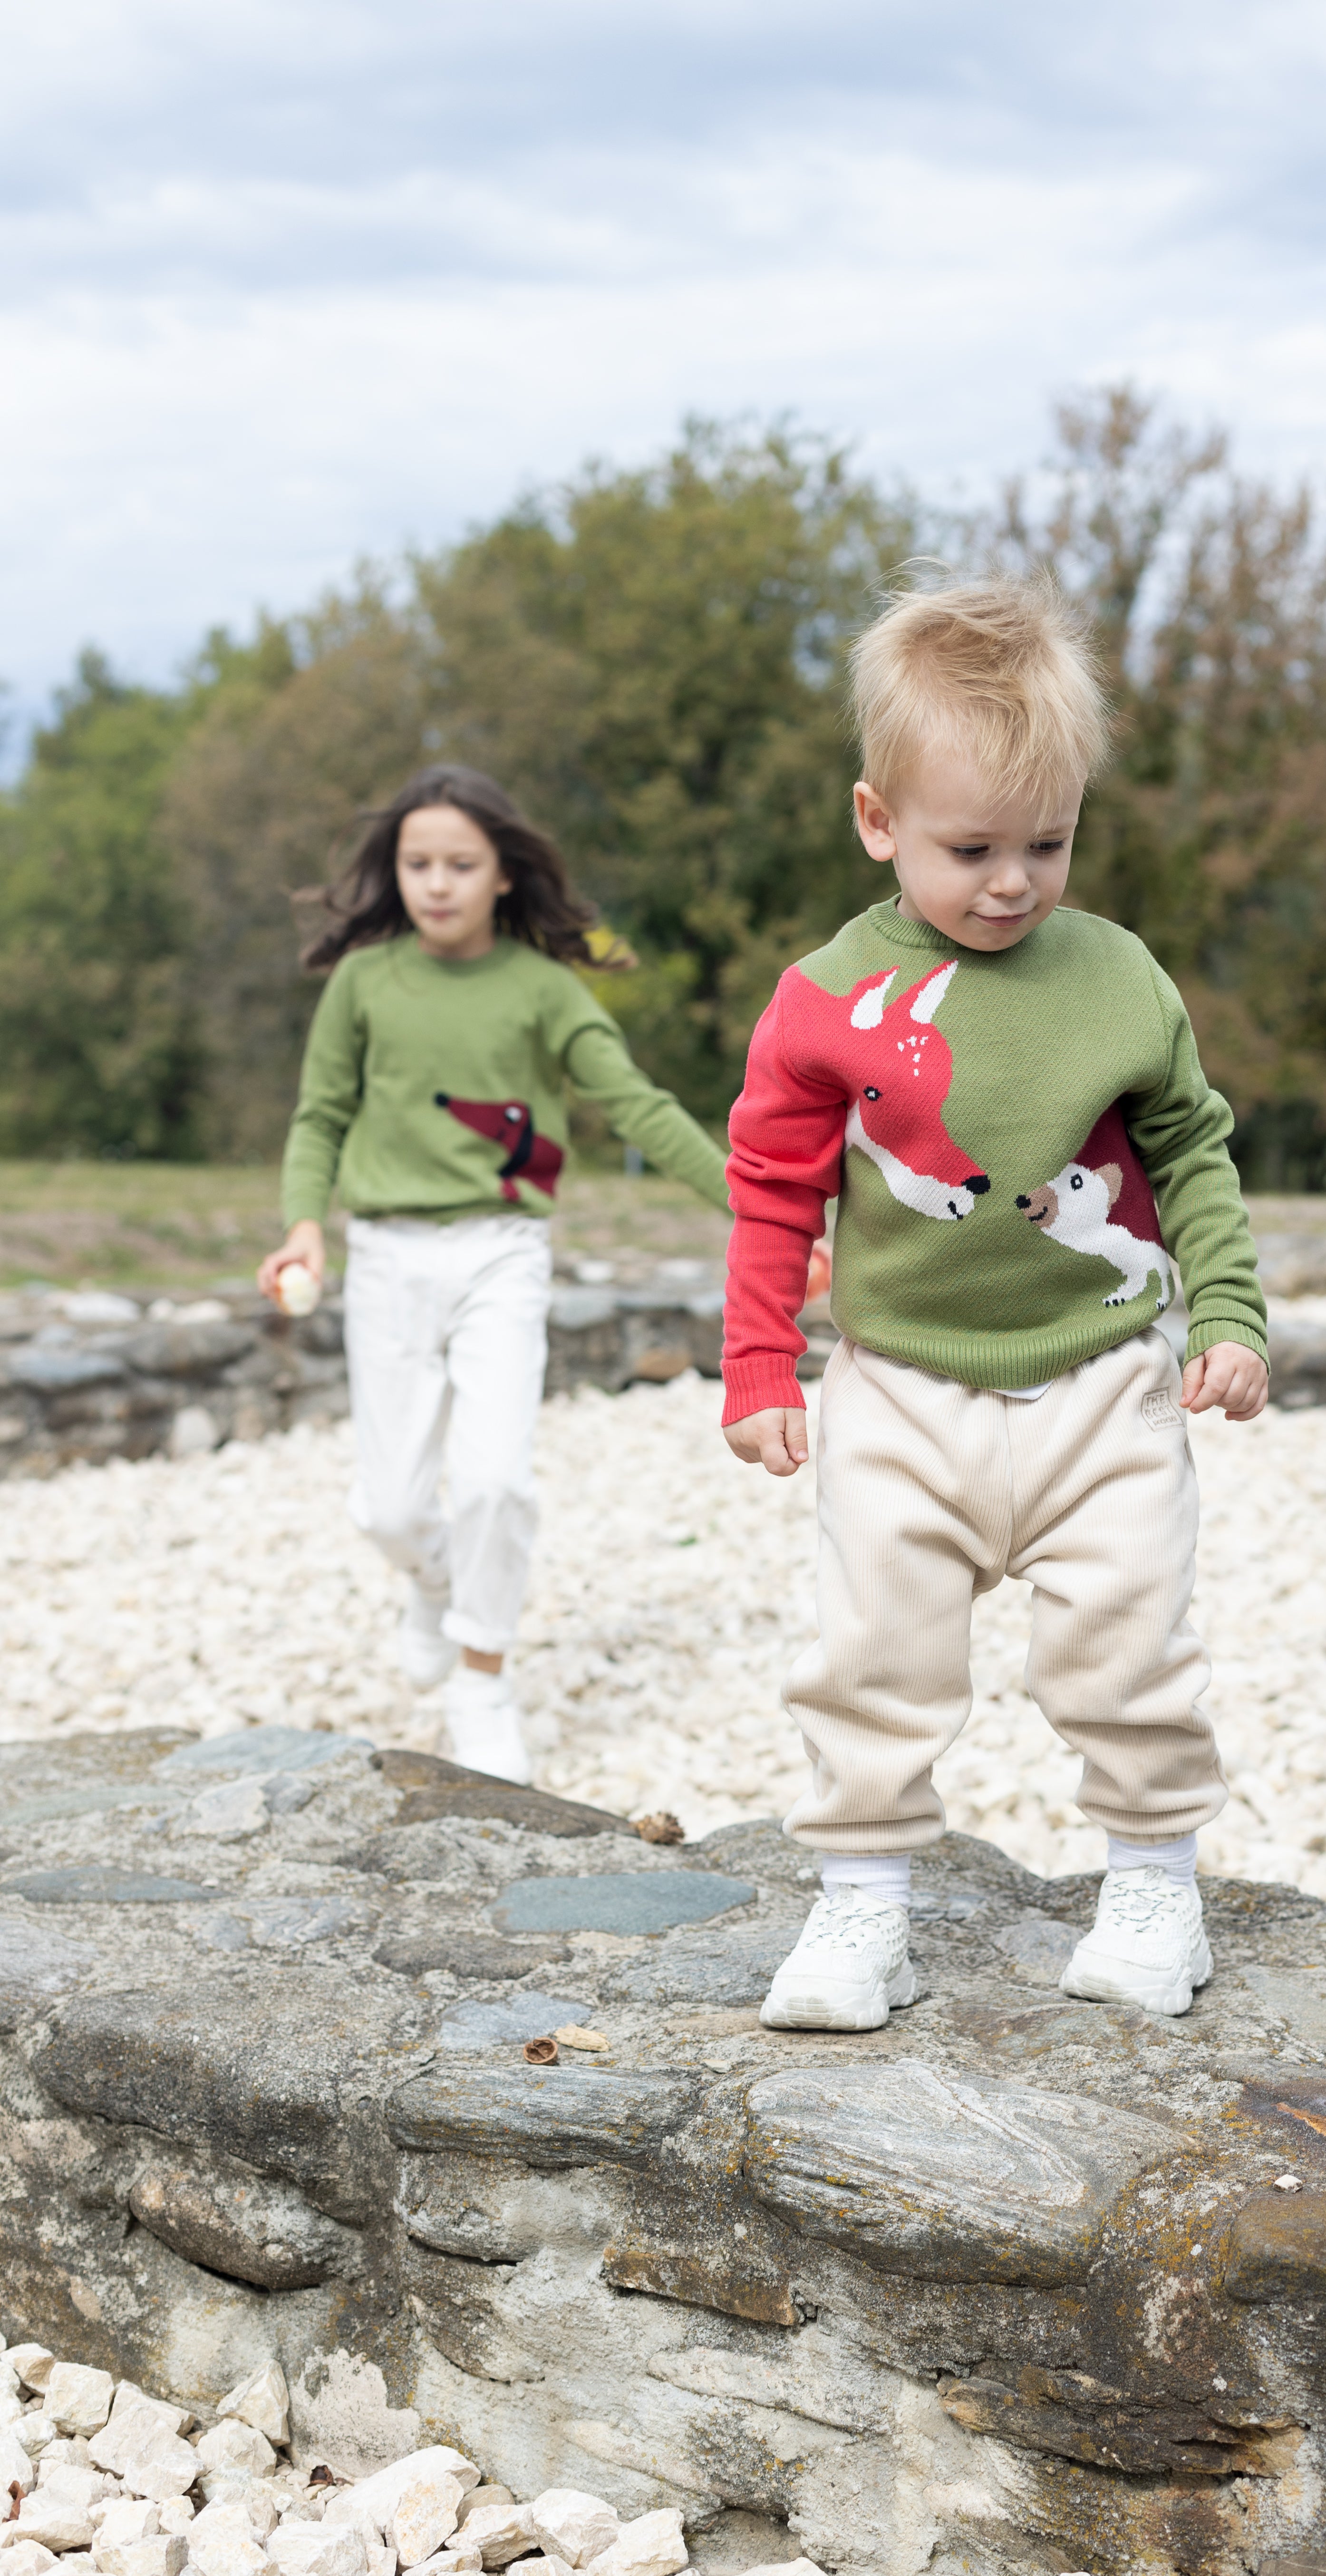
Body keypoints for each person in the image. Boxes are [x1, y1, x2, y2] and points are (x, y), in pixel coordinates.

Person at [722, 577, 1268, 2028]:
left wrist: (1227, 1314)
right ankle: (861, 1911)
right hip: (898, 1387)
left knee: (1131, 1637)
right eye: (972, 848)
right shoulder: (822, 1001)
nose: (1015, 880)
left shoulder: (1118, 977)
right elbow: (772, 1187)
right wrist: (760, 1366)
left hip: (1103, 1379)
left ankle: (1155, 1879)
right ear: (877, 820)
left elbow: (1191, 1148)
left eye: (1050, 842)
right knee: (871, 1653)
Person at [260, 765, 731, 1781]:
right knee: (388, 1508)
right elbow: (320, 1118)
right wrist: (306, 1229)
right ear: (397, 871)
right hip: (385, 1255)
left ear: (504, 876)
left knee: (494, 1480)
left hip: (502, 1253)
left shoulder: (545, 991)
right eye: (417, 863)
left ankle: (484, 1676)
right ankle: (434, 1582)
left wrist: (761, 1210)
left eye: (460, 865)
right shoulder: (363, 983)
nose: (436, 883)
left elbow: (640, 1108)